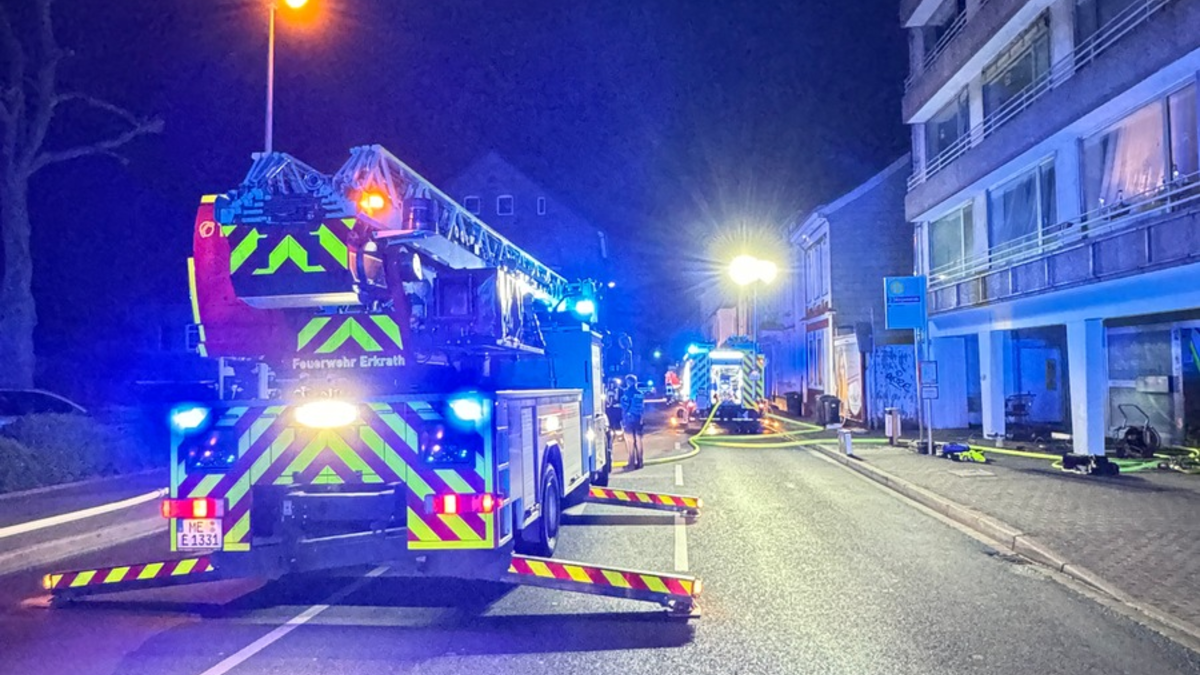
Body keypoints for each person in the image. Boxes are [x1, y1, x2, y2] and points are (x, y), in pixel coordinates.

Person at [620, 374, 646, 469]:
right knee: (638, 440)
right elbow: (642, 407)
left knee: (630, 441)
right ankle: (640, 462)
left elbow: (624, 405)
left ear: (629, 382)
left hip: (629, 418)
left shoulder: (627, 393)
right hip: (638, 418)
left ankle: (631, 463)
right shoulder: (640, 393)